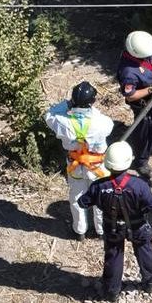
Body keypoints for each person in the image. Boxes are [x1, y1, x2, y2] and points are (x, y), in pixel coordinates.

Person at [77, 142, 152, 302]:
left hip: (112, 227)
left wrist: (100, 199)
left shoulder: (99, 186)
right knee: (144, 248)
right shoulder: (140, 185)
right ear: (129, 161)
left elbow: (83, 203)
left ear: (107, 163)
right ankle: (151, 279)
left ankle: (111, 290)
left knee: (113, 254)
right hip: (137, 225)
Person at [44, 81, 114, 241]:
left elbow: (49, 114)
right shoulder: (101, 123)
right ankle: (101, 230)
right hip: (97, 167)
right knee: (100, 198)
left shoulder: (62, 122)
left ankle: (80, 230)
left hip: (75, 166)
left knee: (76, 198)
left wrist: (67, 104)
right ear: (92, 103)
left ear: (73, 100)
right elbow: (108, 124)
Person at [117, 30, 152, 178]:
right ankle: (141, 161)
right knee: (144, 131)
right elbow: (131, 95)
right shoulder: (129, 72)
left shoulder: (143, 47)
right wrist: (151, 89)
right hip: (142, 103)